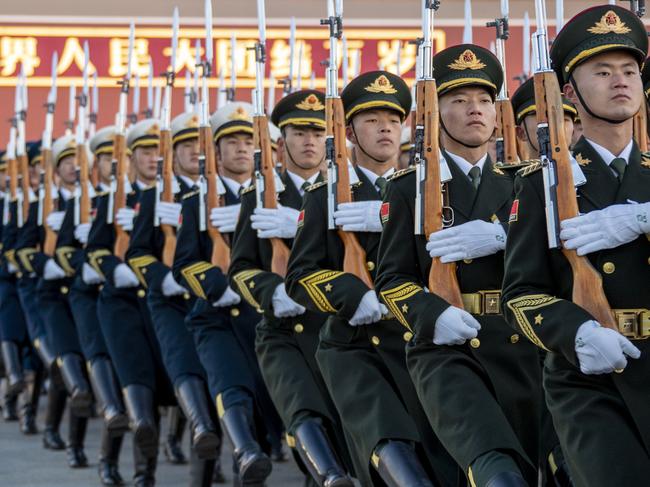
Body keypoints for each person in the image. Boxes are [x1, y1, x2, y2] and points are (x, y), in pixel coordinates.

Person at [375, 45, 542, 487]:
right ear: (434, 113)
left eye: (485, 101)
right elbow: (392, 279)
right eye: (459, 101)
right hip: (446, 351)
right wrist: (434, 314)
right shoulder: (409, 188)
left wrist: (507, 237)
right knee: (493, 467)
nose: (475, 111)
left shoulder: (524, 184)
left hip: (519, 346)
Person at [285, 71, 460, 487]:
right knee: (389, 442)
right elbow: (299, 278)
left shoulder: (428, 191)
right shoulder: (326, 193)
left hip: (417, 339)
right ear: (348, 132)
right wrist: (352, 294)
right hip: (356, 346)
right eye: (371, 120)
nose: (385, 128)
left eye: (394, 120)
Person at [502, 5, 650, 486]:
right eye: (602, 71)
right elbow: (521, 294)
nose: (620, 81)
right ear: (569, 92)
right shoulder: (542, 182)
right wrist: (577, 334)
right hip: (591, 381)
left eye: (629, 70)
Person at [229, 89, 355, 487]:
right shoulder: (260, 194)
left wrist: (300, 226)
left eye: (318, 132)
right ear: (281, 142)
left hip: (336, 328)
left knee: (342, 426)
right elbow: (242, 269)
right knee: (303, 413)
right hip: (284, 331)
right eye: (300, 133)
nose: (310, 141)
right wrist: (273, 292)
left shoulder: (346, 193)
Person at [173, 102, 283, 487]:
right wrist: (220, 287)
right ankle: (235, 456)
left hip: (264, 317)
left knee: (264, 410)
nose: (241, 148)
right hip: (215, 316)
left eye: (248, 140)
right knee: (229, 386)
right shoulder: (197, 200)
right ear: (216, 152)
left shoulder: (277, 198)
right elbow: (185, 264)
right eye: (231, 141)